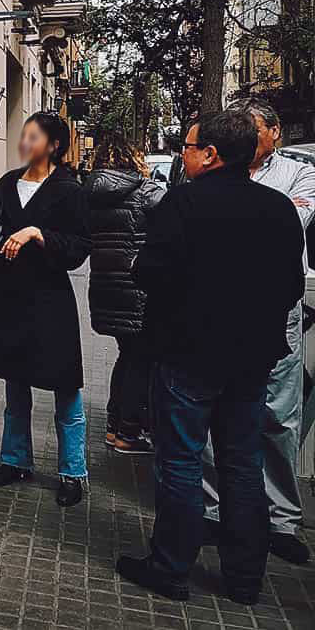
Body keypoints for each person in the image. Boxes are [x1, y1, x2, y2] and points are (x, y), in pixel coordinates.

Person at [117, 111, 304, 605]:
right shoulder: (280, 209)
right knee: (242, 464)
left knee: (179, 461)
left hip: (187, 356)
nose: (183, 154)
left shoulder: (183, 202)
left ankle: (171, 566)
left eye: (188, 146)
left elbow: (151, 273)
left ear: (211, 154)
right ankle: (245, 579)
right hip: (251, 360)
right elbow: (290, 287)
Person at [0, 111, 92, 506]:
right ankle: (15, 460)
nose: (24, 142)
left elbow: (78, 248)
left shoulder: (69, 189)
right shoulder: (9, 183)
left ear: (54, 145)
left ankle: (72, 471)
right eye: (24, 135)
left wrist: (37, 233)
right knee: (15, 384)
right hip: (9, 297)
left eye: (33, 136)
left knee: (65, 388)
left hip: (49, 300)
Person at [200, 99, 315, 565]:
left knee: (279, 416)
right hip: (216, 305)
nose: (243, 133)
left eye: (253, 127)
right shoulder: (217, 167)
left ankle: (281, 519)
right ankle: (213, 509)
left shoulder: (299, 172)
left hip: (273, 310)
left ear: (274, 134)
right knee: (209, 408)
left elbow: (295, 220)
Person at [83, 135, 165, 455]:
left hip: (105, 288)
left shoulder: (90, 193)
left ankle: (114, 426)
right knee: (139, 359)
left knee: (127, 356)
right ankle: (128, 432)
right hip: (137, 289)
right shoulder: (147, 192)